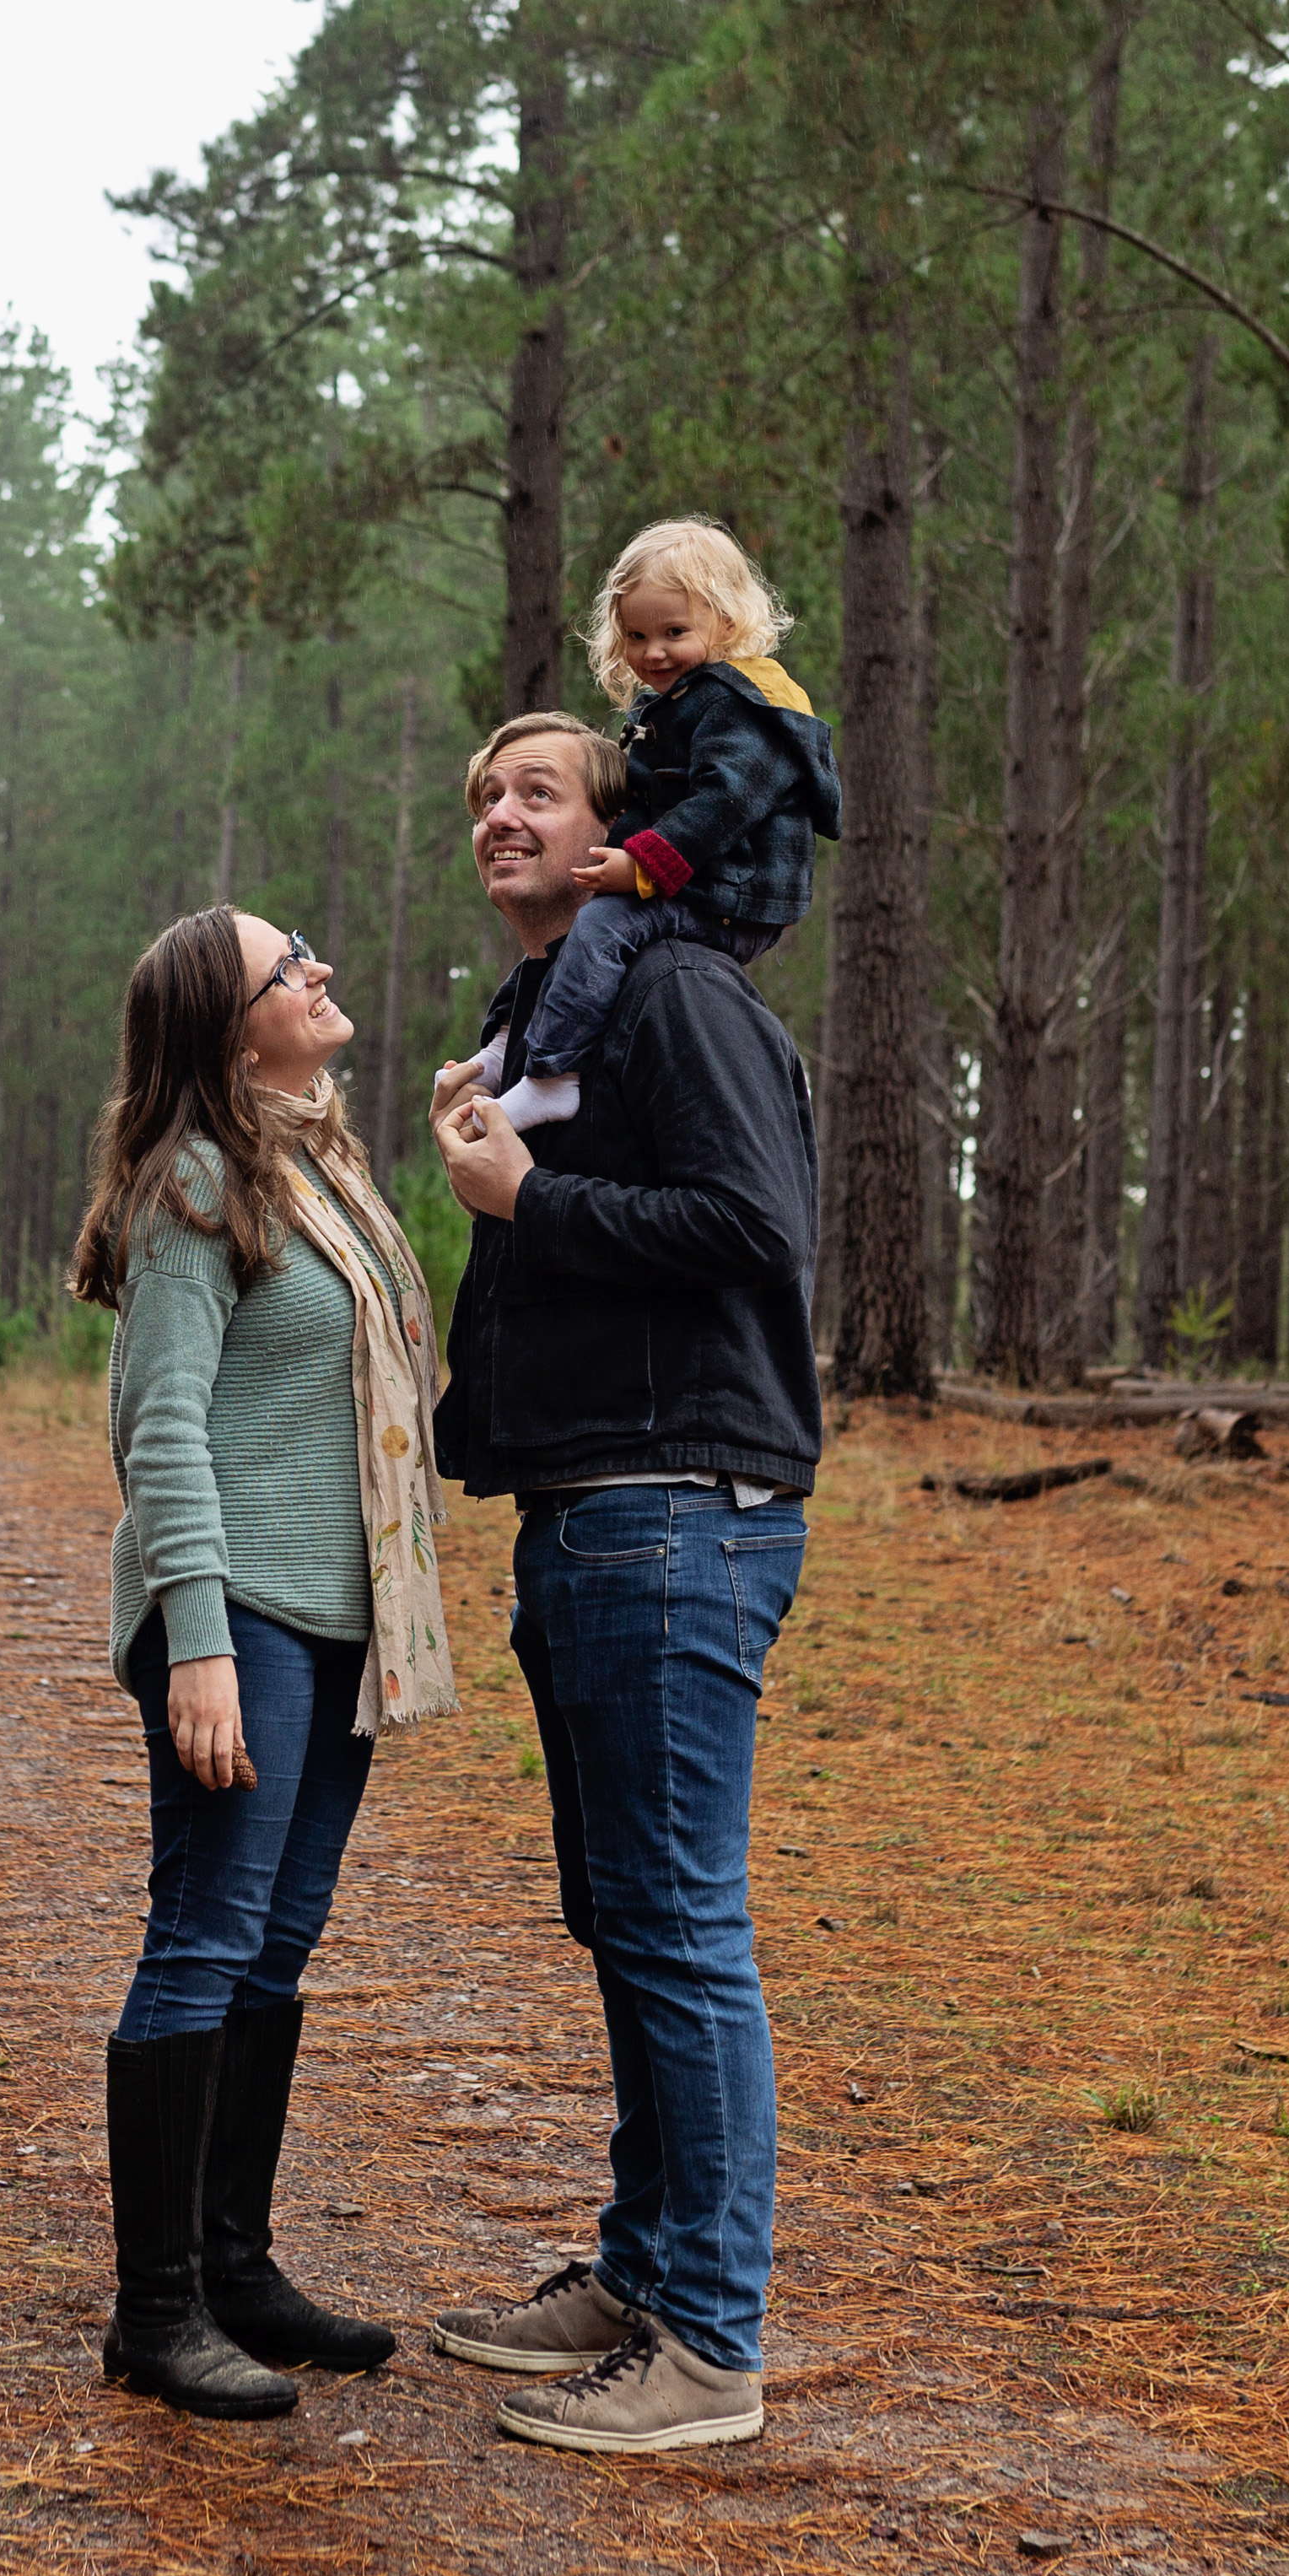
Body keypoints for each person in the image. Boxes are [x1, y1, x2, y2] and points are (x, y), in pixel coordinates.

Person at [421, 713, 821, 2455]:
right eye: (482, 797)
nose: (502, 816)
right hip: (587, 1511)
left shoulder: (670, 990)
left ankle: (710, 2349)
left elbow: (756, 1223)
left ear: (615, 830)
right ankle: (645, 2271)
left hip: (679, 1508)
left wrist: (531, 1198)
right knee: (626, 1918)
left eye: (539, 792)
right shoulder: (552, 1012)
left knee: (678, 1927)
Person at [67, 903, 460, 2419]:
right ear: (234, 1032)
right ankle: (155, 2313)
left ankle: (234, 2264)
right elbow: (160, 1431)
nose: (321, 974)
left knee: (277, 1941)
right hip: (244, 1621)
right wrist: (201, 1647)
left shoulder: (322, 1174)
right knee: (207, 1934)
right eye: (287, 968)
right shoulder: (192, 1189)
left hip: (343, 1617)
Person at [486, 520, 844, 1133]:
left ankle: (550, 1077)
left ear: (725, 623)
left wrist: (643, 866)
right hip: (699, 881)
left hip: (734, 893)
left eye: (673, 633)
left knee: (602, 924)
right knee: (573, 932)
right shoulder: (672, 702)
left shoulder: (746, 706)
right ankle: (508, 1045)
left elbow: (722, 806)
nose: (652, 652)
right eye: (636, 635)